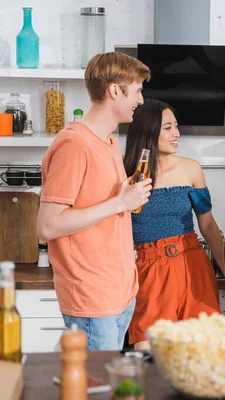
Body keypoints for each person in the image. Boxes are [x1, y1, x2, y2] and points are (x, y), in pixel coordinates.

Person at [37, 52, 152, 350]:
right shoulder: (75, 144)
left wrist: (125, 194)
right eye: (138, 90)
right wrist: (119, 203)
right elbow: (48, 226)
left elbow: (104, 203)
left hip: (119, 293)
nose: (140, 100)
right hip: (91, 297)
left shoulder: (110, 142)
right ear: (115, 90)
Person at [123, 99, 224, 350]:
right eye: (168, 127)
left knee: (202, 353)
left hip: (193, 266)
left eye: (176, 126)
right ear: (148, 130)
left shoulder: (191, 169)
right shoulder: (123, 170)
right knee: (147, 352)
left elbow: (209, 226)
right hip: (148, 271)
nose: (176, 134)